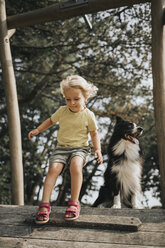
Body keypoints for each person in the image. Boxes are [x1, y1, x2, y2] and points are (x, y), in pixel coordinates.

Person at [28, 75, 103, 224]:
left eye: (76, 99)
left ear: (85, 97)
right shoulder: (62, 111)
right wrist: (38, 130)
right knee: (53, 169)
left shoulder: (89, 115)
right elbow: (50, 121)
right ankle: (44, 205)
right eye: (68, 99)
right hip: (61, 148)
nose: (72, 103)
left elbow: (94, 134)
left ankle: (74, 203)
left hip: (80, 149)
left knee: (75, 166)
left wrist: (98, 150)